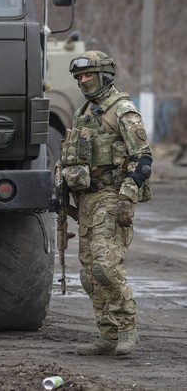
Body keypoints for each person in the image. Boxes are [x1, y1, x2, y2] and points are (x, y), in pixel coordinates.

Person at [57, 50, 152, 356]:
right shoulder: (84, 111)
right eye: (80, 77)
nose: (84, 81)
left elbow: (142, 157)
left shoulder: (121, 110)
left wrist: (127, 197)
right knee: (88, 272)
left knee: (105, 267)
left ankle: (127, 329)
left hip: (112, 196)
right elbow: (71, 155)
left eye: (89, 75)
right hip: (86, 198)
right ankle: (107, 333)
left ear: (105, 76)